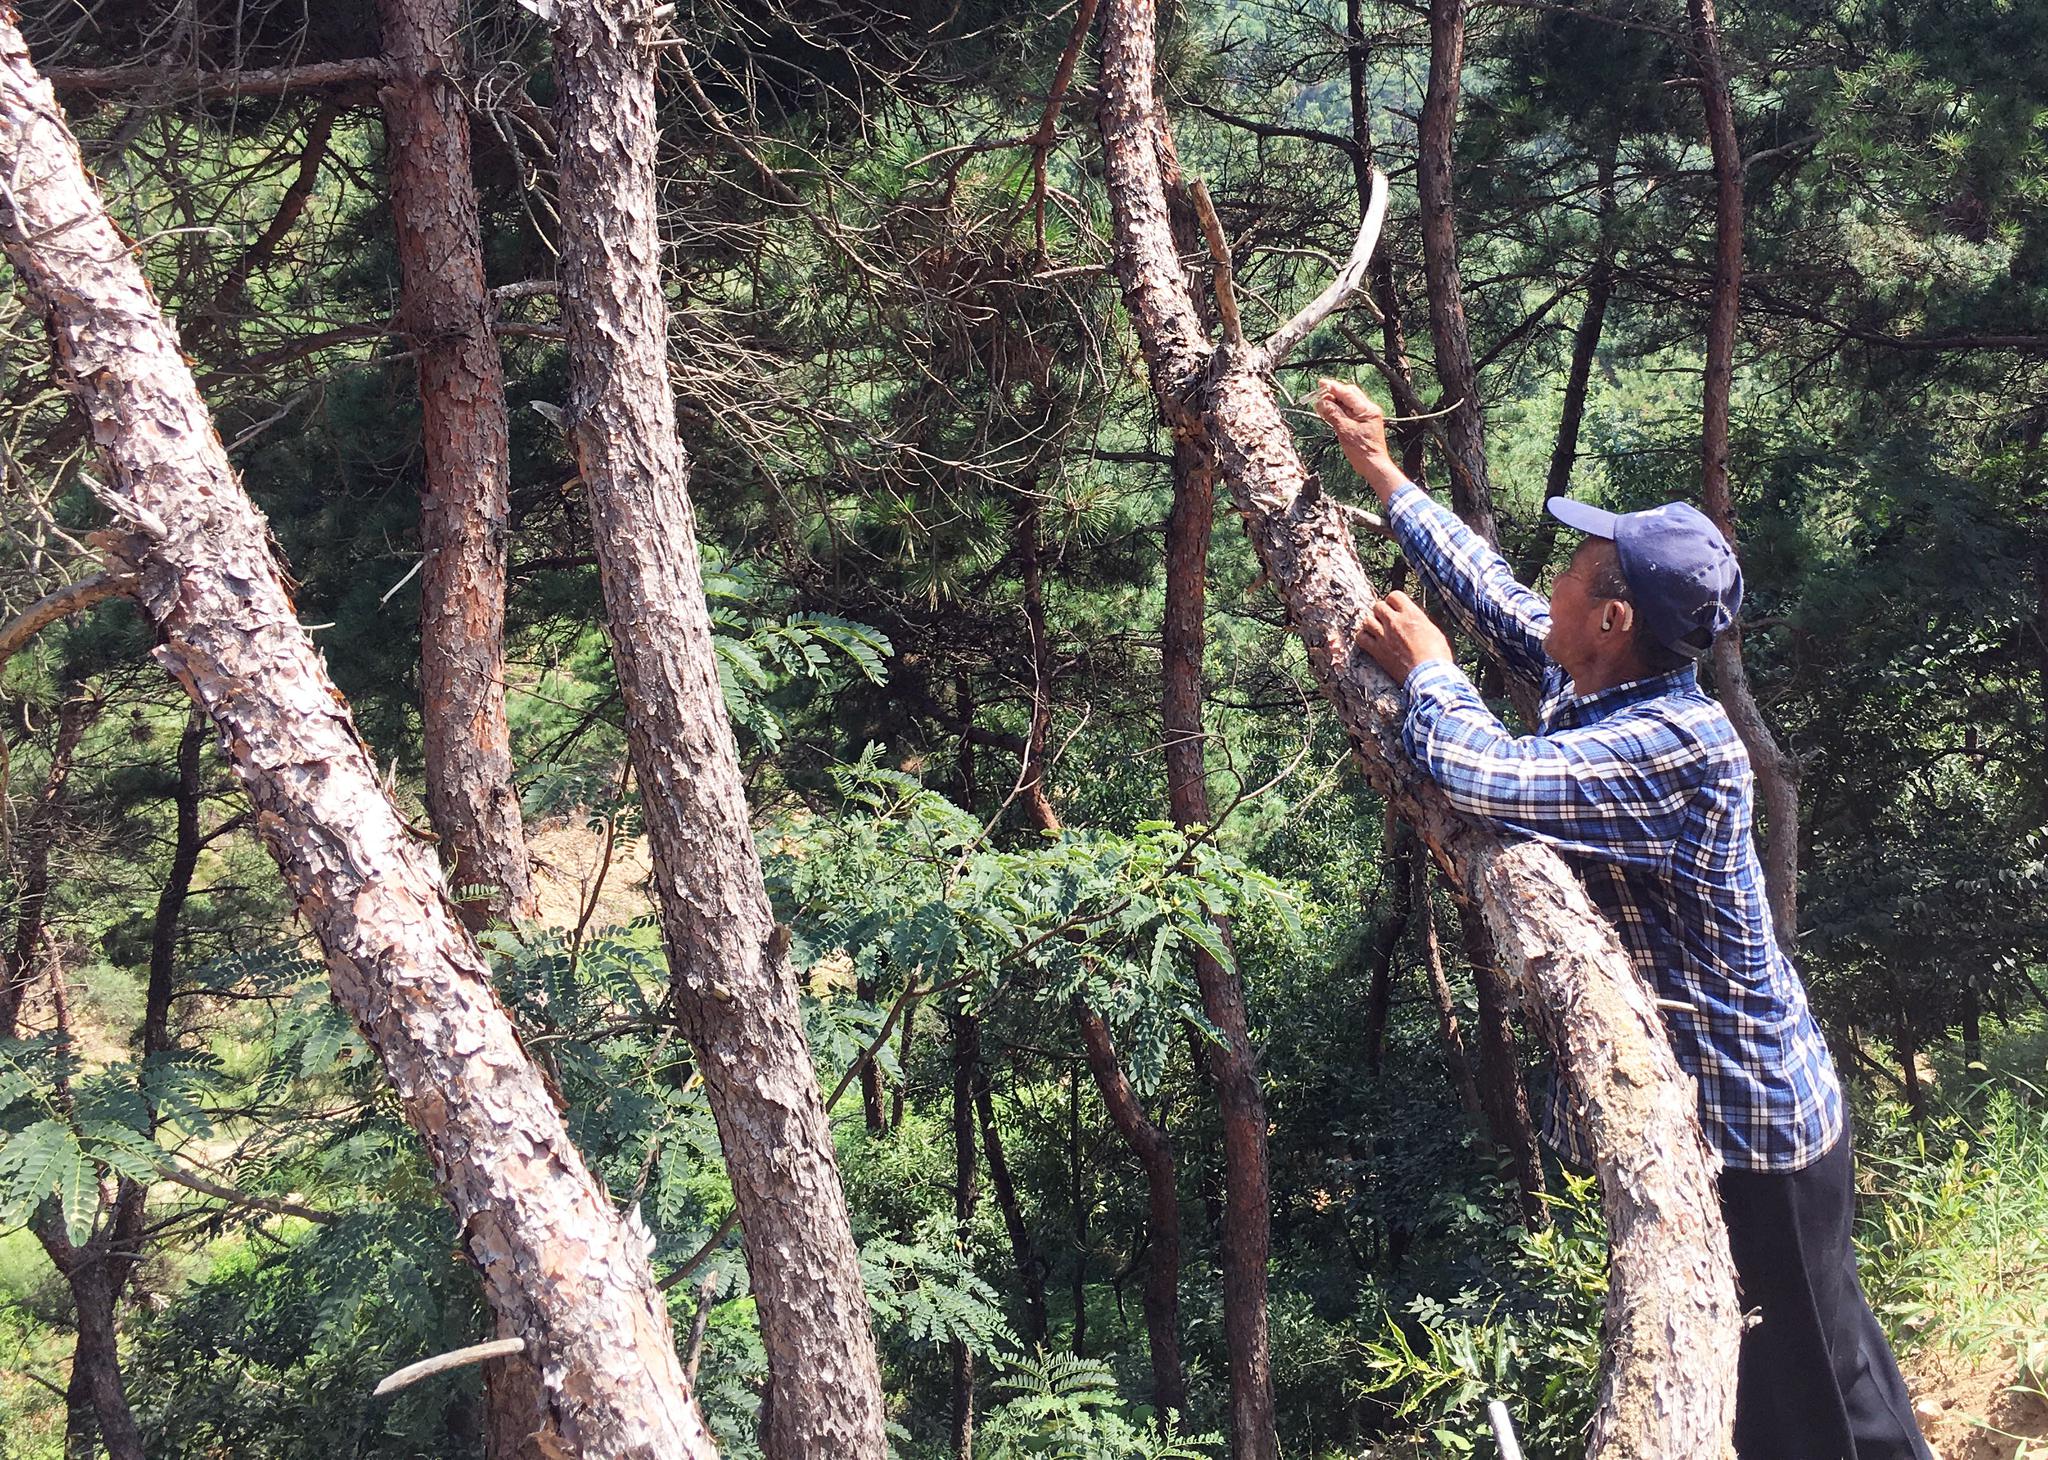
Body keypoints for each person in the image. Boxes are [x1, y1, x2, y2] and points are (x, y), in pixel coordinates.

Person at [1312, 378, 1933, 1460]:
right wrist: (1379, 469)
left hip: (1756, 1139)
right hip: (1757, 1110)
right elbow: (1494, 594)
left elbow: (1477, 770)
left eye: (1576, 565)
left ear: (1611, 618)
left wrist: (1430, 678)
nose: (1547, 580)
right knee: (1831, 1369)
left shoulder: (1671, 748)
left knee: (1812, 1412)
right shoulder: (1601, 680)